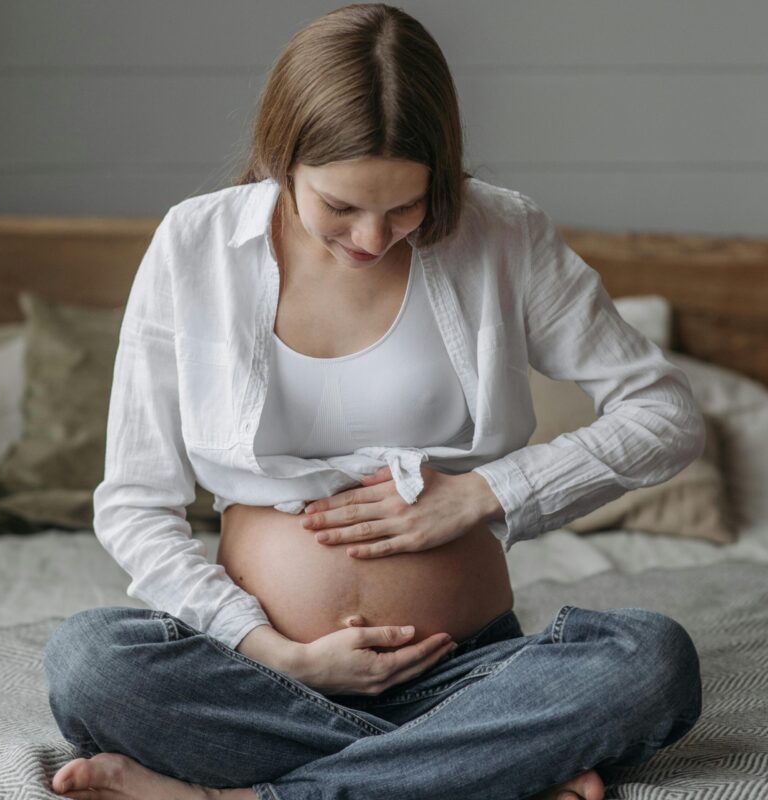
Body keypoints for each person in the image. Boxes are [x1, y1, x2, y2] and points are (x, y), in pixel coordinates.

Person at [42, 4, 705, 799]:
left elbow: (666, 415)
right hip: (262, 679)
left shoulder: (504, 233)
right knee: (90, 662)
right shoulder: (195, 245)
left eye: (404, 208)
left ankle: (255, 795)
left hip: (467, 675)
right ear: (281, 156)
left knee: (651, 662)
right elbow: (134, 505)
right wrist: (275, 652)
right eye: (340, 207)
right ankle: (479, 769)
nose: (370, 239)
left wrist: (484, 493)